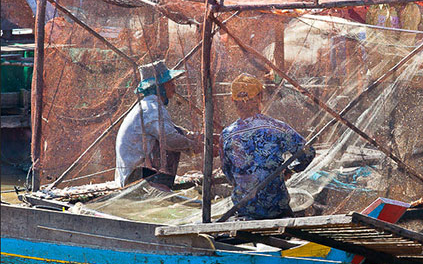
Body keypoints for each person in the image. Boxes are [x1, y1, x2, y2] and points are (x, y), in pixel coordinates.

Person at [219, 74, 315, 219]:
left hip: (245, 210)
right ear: (260, 97)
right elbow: (307, 153)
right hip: (277, 209)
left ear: (232, 100)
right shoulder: (277, 128)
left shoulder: (227, 135)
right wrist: (290, 170)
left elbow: (228, 172)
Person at [115, 60, 202, 189]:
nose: (174, 86)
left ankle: (161, 187)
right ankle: (160, 188)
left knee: (177, 134)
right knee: (170, 145)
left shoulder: (150, 106)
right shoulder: (152, 109)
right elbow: (170, 139)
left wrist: (199, 138)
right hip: (137, 176)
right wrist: (196, 147)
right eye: (169, 83)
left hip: (137, 173)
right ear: (159, 87)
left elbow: (176, 131)